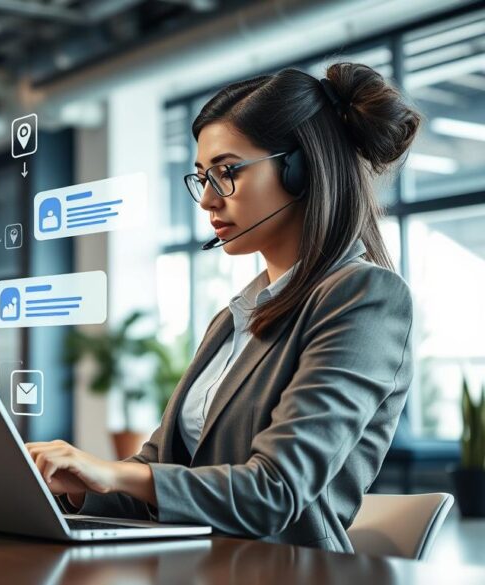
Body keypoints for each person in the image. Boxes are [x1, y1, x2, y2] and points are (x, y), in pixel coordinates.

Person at [26, 62, 422, 553]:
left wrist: (113, 475)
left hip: (282, 569)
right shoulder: (236, 316)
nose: (208, 200)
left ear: (300, 169)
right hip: (197, 561)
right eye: (202, 178)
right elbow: (161, 467)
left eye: (227, 172)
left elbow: (275, 492)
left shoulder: (365, 297)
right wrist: (79, 485)